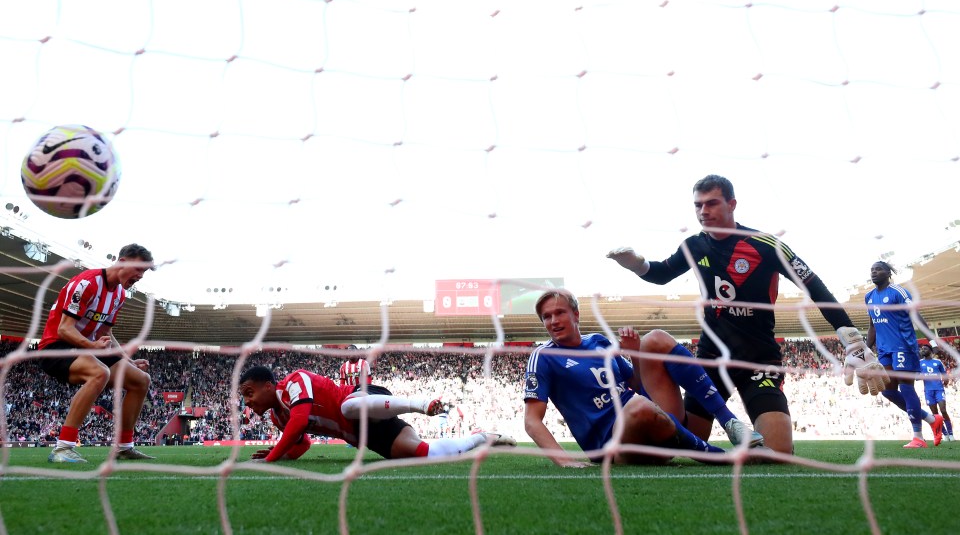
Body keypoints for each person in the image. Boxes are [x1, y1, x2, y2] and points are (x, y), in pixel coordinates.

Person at [607, 174, 885, 455]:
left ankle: (746, 437)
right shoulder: (693, 245)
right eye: (698, 205)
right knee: (686, 444)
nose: (704, 211)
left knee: (778, 453)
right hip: (711, 360)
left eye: (712, 203)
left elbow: (815, 288)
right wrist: (637, 265)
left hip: (759, 360)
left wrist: (853, 340)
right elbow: (661, 274)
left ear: (732, 204)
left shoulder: (766, 245)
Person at [523, 289, 759, 468]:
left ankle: (730, 422)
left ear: (575, 314)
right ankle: (716, 456)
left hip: (650, 419)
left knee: (656, 338)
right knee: (638, 406)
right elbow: (532, 421)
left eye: (559, 312)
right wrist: (564, 460)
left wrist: (635, 355)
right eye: (546, 316)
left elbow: (635, 384)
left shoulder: (599, 341)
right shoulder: (543, 357)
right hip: (613, 445)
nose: (553, 321)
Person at [238, 366, 516, 462]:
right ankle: (482, 437)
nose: (248, 401)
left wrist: (273, 458)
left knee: (347, 406)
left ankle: (422, 404)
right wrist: (283, 454)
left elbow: (300, 420)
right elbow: (303, 442)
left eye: (250, 392)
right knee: (426, 455)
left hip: (363, 397)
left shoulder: (295, 382)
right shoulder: (278, 418)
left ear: (269, 385)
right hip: (363, 432)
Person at [38, 243, 156, 463]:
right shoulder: (86, 283)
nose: (140, 276)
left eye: (144, 272)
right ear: (122, 262)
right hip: (55, 347)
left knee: (141, 380)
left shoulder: (119, 294)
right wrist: (91, 346)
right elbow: (64, 329)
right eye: (139, 270)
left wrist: (128, 360)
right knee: (100, 372)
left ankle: (124, 448)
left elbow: (105, 333)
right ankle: (62, 449)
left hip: (86, 347)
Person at [866, 261, 944, 448]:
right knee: (888, 391)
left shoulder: (898, 292)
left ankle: (918, 436)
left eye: (878, 269)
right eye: (872, 270)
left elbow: (915, 316)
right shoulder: (869, 296)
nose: (874, 272)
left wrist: (932, 341)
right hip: (884, 350)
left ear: (888, 273)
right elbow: (872, 327)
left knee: (906, 388)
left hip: (903, 346)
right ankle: (932, 420)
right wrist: (866, 349)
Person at [919, 344, 954, 442]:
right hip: (928, 391)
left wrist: (946, 381)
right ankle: (945, 434)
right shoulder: (920, 363)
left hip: (939, 389)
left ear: (930, 351)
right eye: (922, 349)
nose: (922, 350)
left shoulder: (937, 362)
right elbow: (917, 376)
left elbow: (944, 375)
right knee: (935, 414)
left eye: (925, 349)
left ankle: (951, 434)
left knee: (943, 410)